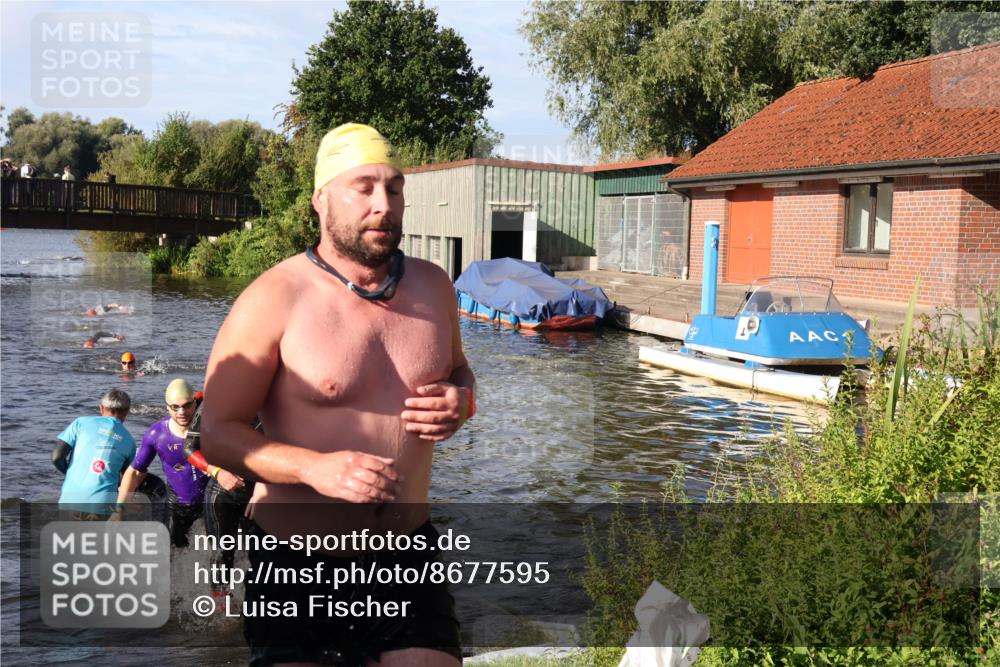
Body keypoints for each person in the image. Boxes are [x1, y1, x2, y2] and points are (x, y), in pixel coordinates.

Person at [201, 123, 475, 666]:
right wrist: (314, 469)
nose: (384, 205)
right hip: (296, 564)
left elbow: (461, 372)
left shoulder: (434, 286)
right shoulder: (274, 297)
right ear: (320, 200)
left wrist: (462, 401)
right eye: (363, 187)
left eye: (394, 188)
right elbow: (217, 435)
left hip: (407, 556)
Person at [116, 379, 210, 547]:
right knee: (173, 551)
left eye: (187, 406)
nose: (181, 412)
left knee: (222, 550)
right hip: (178, 506)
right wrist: (119, 510)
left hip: (211, 505)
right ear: (167, 407)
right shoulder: (157, 434)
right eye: (175, 407)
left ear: (195, 404)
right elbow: (135, 472)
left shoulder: (211, 428)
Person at [52, 389, 136, 519]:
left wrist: (69, 472)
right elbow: (127, 479)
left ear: (101, 408)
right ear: (127, 412)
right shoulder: (129, 441)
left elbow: (57, 457)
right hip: (102, 506)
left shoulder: (80, 423)